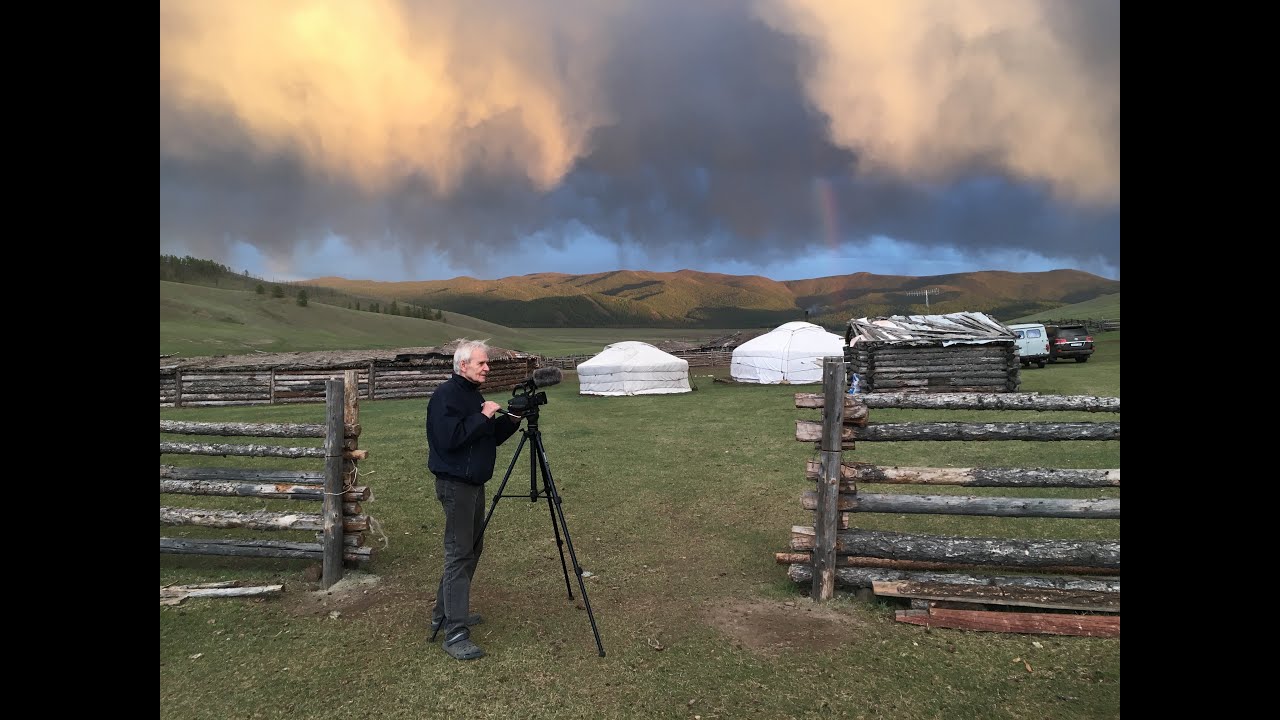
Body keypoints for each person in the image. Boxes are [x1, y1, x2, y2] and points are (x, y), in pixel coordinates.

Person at [426, 339, 522, 660]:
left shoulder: (471, 395)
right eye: (481, 363)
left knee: (471, 548)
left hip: (474, 483)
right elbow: (449, 439)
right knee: (459, 552)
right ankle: (455, 633)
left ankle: (445, 613)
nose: (487, 367)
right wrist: (482, 415)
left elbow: (487, 438)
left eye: (486, 363)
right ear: (463, 365)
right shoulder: (446, 397)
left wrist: (513, 419)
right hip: (456, 485)